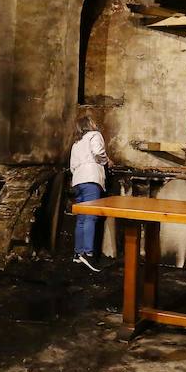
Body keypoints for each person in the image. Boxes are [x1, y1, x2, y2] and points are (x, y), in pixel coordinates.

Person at [69, 114, 109, 272]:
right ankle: (88, 253)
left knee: (81, 218)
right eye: (93, 121)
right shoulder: (95, 135)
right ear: (88, 125)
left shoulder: (77, 143)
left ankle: (78, 253)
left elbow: (72, 166)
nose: (95, 123)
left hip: (78, 180)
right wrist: (106, 161)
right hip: (91, 178)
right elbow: (98, 152)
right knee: (91, 217)